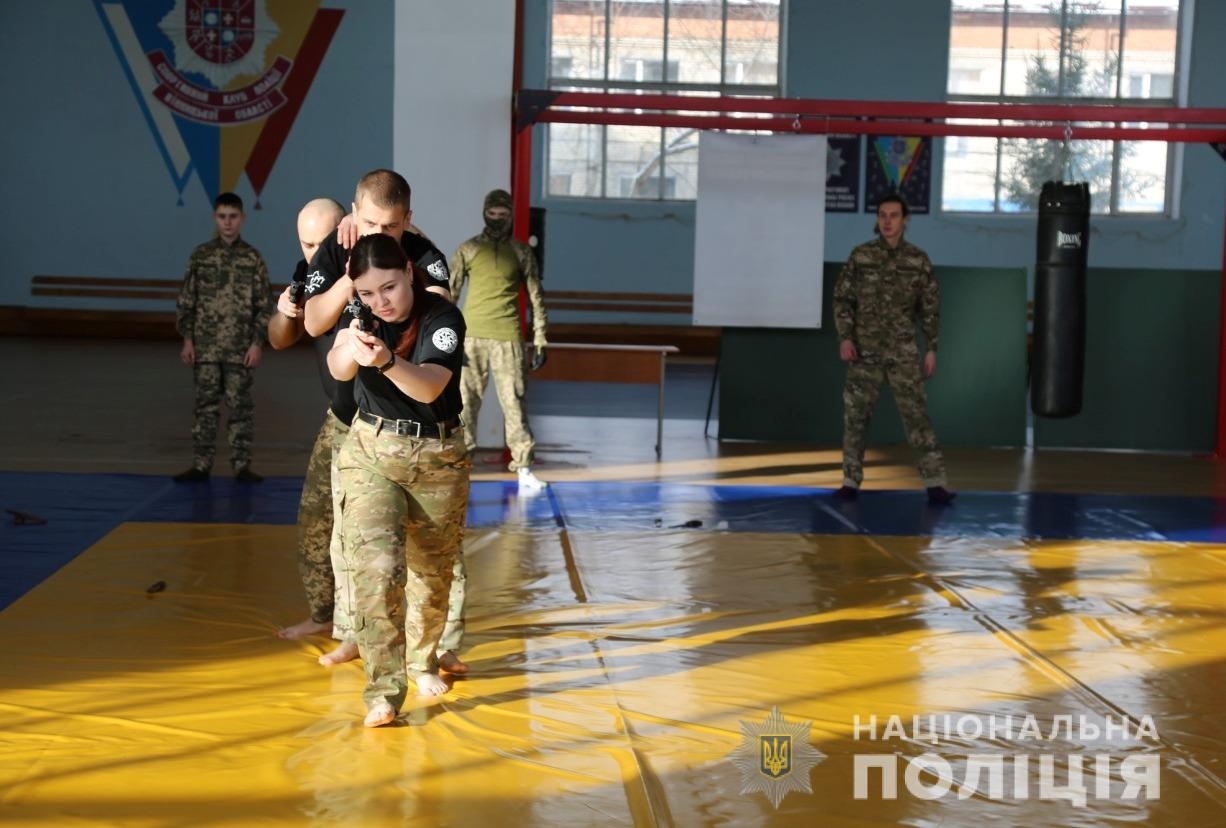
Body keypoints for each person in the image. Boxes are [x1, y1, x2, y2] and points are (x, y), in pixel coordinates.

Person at [301, 169, 468, 674]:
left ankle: (438, 644)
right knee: (353, 539)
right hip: (354, 417)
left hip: (417, 420)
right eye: (370, 222)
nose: (379, 234)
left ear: (408, 224)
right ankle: (354, 634)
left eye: (391, 228)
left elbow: (437, 319)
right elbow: (311, 322)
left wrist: (388, 324)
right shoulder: (339, 247)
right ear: (354, 212)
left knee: (436, 551)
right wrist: (354, 279)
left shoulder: (422, 256)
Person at [327, 233, 470, 727]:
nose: (381, 302)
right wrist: (351, 343)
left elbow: (431, 385)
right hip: (371, 451)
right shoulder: (361, 315)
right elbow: (337, 368)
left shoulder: (441, 317)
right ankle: (384, 689)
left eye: (389, 288)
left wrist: (385, 361)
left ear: (409, 272)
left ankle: (421, 659)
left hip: (437, 456)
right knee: (375, 566)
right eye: (367, 293)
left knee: (432, 580)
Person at [832, 194, 955, 505]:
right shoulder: (860, 256)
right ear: (877, 219)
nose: (887, 221)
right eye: (882, 215)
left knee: (917, 418)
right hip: (864, 353)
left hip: (903, 353)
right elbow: (843, 300)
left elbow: (930, 308)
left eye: (894, 215)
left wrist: (932, 348)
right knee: (856, 418)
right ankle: (850, 480)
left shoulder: (917, 260)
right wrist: (845, 337)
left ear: (905, 220)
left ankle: (935, 483)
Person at [267, 198, 348, 641]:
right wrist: (286, 310)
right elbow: (279, 338)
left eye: (325, 241)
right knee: (316, 520)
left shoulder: (368, 270)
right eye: (307, 243)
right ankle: (324, 615)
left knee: (377, 531)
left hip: (384, 421)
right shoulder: (306, 275)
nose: (316, 252)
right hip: (338, 418)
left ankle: (398, 628)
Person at [449, 188, 548, 492]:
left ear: (511, 216)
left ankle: (524, 468)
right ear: (484, 214)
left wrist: (541, 336)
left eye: (503, 215)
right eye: (492, 214)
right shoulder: (467, 249)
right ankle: (459, 469)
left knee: (515, 405)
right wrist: (442, 337)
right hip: (471, 338)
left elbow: (535, 297)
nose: (496, 220)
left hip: (508, 339)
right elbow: (449, 294)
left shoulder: (521, 252)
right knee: (464, 406)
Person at [174, 192, 271, 483]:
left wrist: (257, 343)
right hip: (205, 348)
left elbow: (264, 305)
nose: (227, 223)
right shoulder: (201, 256)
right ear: (215, 218)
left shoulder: (252, 258)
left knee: (240, 408)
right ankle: (201, 464)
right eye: (222, 216)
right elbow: (187, 301)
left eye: (233, 216)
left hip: (240, 350)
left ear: (242, 218)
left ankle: (241, 466)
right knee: (205, 407)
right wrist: (188, 340)